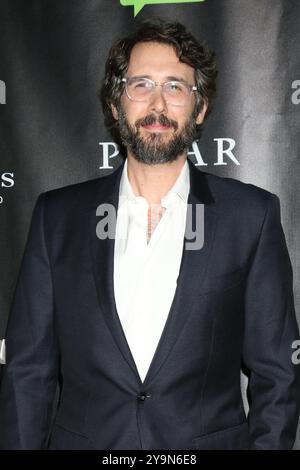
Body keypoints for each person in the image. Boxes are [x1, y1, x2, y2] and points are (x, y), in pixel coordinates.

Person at [0, 19, 299, 450]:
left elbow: (278, 375)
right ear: (115, 104)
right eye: (140, 84)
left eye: (176, 87)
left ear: (199, 108)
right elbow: (28, 373)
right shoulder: (57, 217)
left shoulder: (250, 216)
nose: (157, 103)